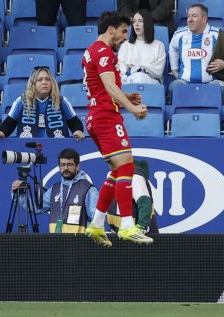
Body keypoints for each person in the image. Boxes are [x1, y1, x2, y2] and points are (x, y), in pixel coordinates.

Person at [82, 11, 153, 246]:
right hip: (105, 117)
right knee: (128, 166)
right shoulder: (104, 52)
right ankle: (126, 225)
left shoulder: (92, 50)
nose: (125, 37)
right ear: (110, 29)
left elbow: (104, 88)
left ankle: (96, 223)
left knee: (117, 171)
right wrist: (131, 110)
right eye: (123, 31)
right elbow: (109, 86)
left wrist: (125, 97)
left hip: (96, 116)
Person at [11, 148, 98, 234]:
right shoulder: (55, 188)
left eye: (70, 164)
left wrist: (86, 240)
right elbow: (35, 208)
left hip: (79, 245)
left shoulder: (88, 189)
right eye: (62, 165)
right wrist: (20, 193)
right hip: (56, 244)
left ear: (77, 166)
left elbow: (96, 218)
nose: (65, 168)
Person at [169, 3, 224, 104]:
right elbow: (173, 49)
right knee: (173, 88)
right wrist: (174, 69)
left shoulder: (218, 34)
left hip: (211, 82)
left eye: (194, 16)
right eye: (188, 16)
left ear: (204, 19)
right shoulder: (179, 34)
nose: (190, 19)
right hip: (185, 82)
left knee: (222, 89)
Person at [0, 66, 84, 139]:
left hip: (57, 147)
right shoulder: (21, 101)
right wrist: (2, 132)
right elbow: (9, 123)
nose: (44, 82)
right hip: (28, 148)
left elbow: (74, 122)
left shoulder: (62, 101)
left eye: (48, 79)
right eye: (39, 80)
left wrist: (78, 131)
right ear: (33, 84)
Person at [107, 159, 159, 234]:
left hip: (138, 241)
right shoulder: (113, 175)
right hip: (121, 236)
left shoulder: (134, 178)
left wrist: (140, 229)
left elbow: (145, 202)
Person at [117, 9, 166, 85]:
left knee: (140, 77)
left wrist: (140, 68)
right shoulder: (125, 45)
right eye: (134, 21)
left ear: (147, 23)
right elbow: (120, 67)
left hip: (151, 81)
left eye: (140, 21)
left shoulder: (159, 45)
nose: (136, 24)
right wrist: (136, 70)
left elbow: (158, 71)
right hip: (128, 79)